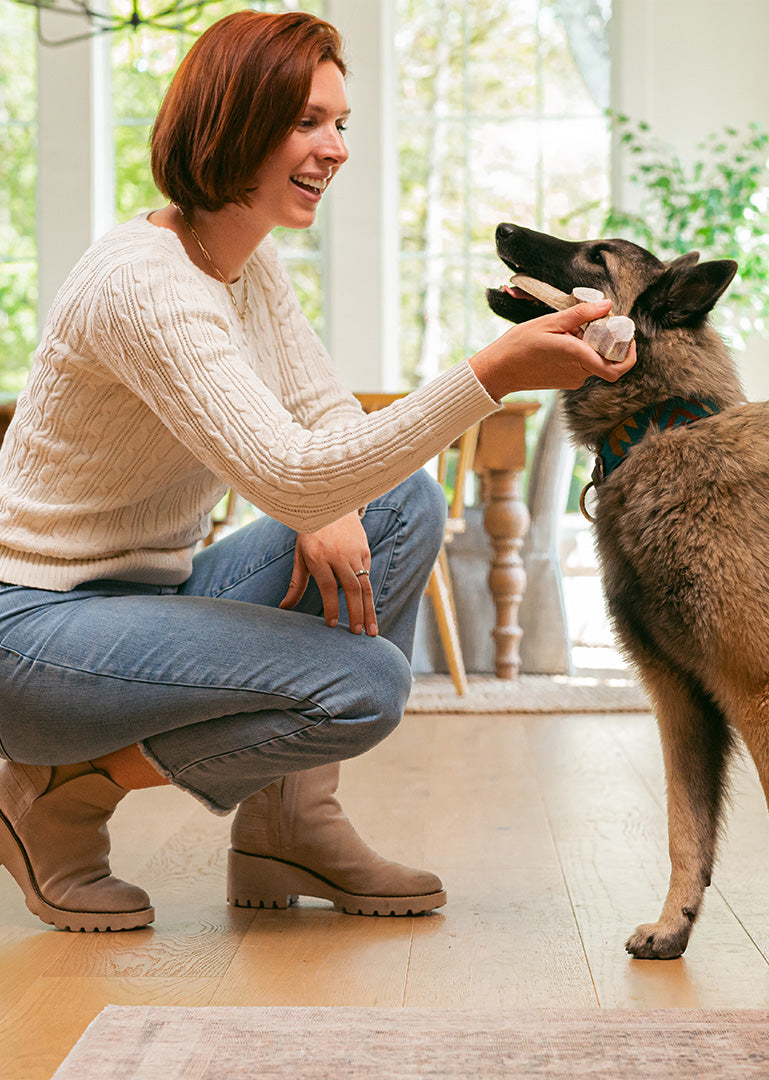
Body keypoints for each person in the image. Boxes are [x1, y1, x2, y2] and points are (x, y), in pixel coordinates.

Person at [0, 9, 634, 933]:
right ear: (233, 121)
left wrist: (329, 506)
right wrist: (492, 373)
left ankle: (291, 823)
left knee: (402, 503)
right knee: (365, 682)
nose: (335, 149)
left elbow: (326, 417)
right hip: (36, 633)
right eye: (307, 122)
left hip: (152, 598)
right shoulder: (145, 281)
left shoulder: (245, 264)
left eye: (341, 125)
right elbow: (295, 476)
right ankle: (62, 789)